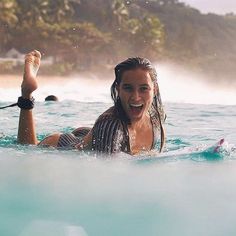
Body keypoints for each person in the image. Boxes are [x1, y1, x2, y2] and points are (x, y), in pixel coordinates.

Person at [17, 50, 166, 155]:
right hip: (65, 145)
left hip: (92, 136)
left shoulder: (156, 117)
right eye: (128, 88)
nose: (136, 97)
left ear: (155, 89)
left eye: (144, 88)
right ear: (118, 89)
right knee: (28, 147)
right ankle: (26, 93)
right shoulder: (111, 125)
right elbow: (105, 176)